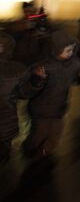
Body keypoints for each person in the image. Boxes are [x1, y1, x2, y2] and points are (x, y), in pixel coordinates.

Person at [22, 30, 80, 158]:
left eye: (72, 50)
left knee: (56, 134)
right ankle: (29, 147)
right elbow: (28, 87)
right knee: (39, 133)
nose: (71, 53)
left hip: (58, 109)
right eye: (67, 50)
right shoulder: (45, 66)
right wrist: (37, 78)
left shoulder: (74, 63)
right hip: (41, 110)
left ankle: (44, 153)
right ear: (56, 49)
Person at [0, 31, 46, 162]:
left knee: (3, 154)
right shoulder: (17, 69)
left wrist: (37, 80)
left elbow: (25, 92)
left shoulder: (16, 69)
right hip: (7, 122)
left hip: (5, 122)